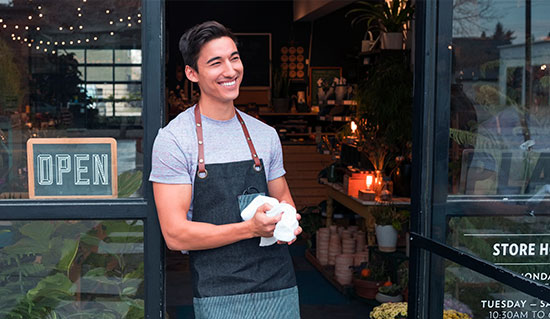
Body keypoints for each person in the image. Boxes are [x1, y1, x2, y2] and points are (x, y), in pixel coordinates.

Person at [149, 21, 301, 318]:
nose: (230, 71)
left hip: (277, 284)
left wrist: (287, 222)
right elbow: (175, 234)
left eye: (234, 58)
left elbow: (284, 199)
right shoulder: (174, 140)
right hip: (218, 291)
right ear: (192, 73)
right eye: (216, 62)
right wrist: (250, 228)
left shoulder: (265, 134)